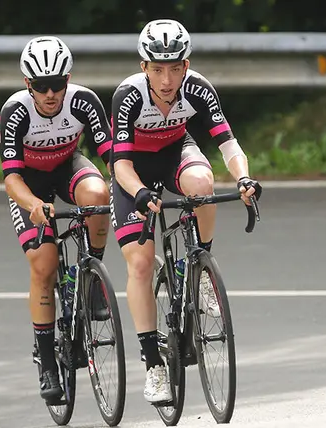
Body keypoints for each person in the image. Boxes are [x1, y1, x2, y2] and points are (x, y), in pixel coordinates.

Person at [109, 19, 262, 403]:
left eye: (175, 68)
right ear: (144, 66)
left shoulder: (197, 89)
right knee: (141, 265)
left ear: (186, 65)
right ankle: (153, 367)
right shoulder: (128, 95)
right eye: (157, 69)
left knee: (202, 186)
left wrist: (244, 179)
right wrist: (141, 193)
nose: (166, 78)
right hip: (133, 173)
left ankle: (199, 263)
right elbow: (120, 165)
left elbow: (229, 146)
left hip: (176, 152)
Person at [0, 35, 113, 401]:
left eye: (58, 84)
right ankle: (47, 361)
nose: (50, 94)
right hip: (28, 184)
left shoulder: (83, 101)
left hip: (66, 166)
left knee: (98, 196)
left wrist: (131, 188)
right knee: (44, 266)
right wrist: (32, 203)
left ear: (69, 79)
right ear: (27, 84)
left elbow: (112, 157)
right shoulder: (15, 111)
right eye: (41, 86)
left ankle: (92, 275)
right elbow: (11, 178)